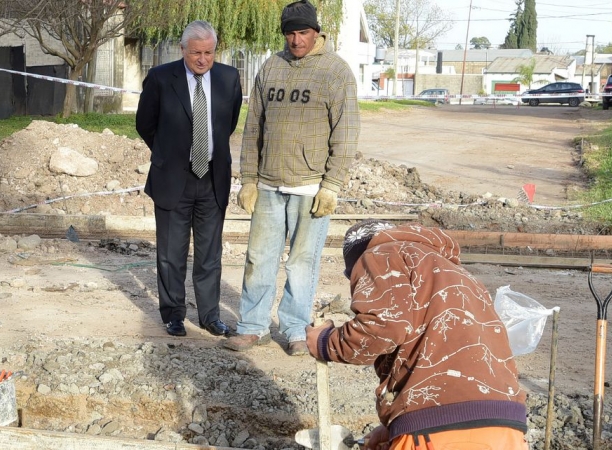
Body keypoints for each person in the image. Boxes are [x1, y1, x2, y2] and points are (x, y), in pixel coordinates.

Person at [306, 220, 529, 450]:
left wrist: (325, 342)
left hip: (437, 433)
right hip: (507, 426)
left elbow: (383, 327)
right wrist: (395, 426)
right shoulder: (460, 275)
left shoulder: (378, 254)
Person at [224, 0, 360, 356]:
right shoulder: (271, 67)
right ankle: (252, 327)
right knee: (258, 259)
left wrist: (332, 185)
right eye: (290, 33)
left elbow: (345, 133)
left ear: (316, 31)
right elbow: (253, 127)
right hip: (268, 184)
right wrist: (249, 178)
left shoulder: (336, 72)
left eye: (302, 32)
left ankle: (296, 329)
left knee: (301, 263)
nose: (296, 40)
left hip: (310, 188)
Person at [136, 20, 243, 338]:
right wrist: (169, 153)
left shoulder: (229, 78)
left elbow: (230, 121)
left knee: (210, 254)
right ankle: (173, 315)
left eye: (208, 53)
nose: (202, 59)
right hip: (172, 179)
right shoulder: (160, 78)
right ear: (183, 50)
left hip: (212, 179)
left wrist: (206, 151)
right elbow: (145, 123)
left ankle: (210, 316)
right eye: (196, 53)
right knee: (171, 253)